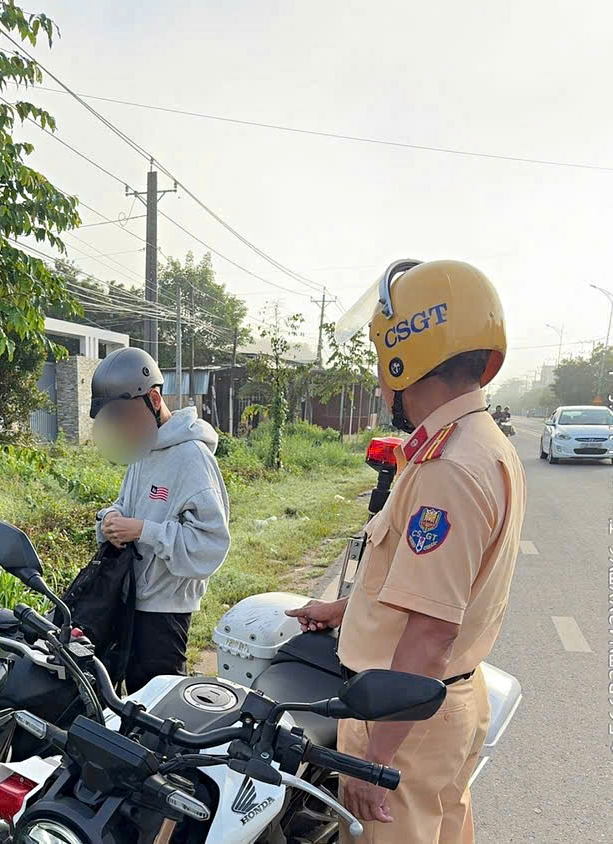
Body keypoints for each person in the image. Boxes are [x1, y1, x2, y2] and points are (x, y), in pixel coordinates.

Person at [287, 259, 526, 844]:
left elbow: (432, 632)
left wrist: (378, 760)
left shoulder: (450, 469)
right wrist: (349, 611)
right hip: (438, 708)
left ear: (404, 355)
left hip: (404, 718)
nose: (378, 379)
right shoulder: (479, 444)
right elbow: (432, 587)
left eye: (380, 360)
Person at [89, 346, 231, 694]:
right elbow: (125, 504)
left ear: (153, 399)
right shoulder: (142, 450)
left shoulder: (191, 458)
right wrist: (110, 519)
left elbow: (211, 546)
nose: (121, 427)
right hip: (126, 599)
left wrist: (144, 530)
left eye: (125, 416)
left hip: (165, 612)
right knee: (121, 696)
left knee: (157, 701)